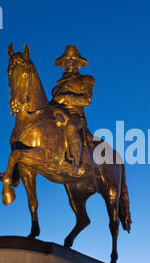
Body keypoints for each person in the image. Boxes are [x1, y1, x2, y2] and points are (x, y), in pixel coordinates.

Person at [51, 45, 95, 176]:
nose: (69, 61)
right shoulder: (56, 87)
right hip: (57, 114)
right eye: (67, 59)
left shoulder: (85, 79)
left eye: (73, 59)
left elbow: (87, 100)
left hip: (75, 116)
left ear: (78, 63)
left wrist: (66, 97)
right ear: (63, 64)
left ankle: (75, 163)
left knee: (70, 127)